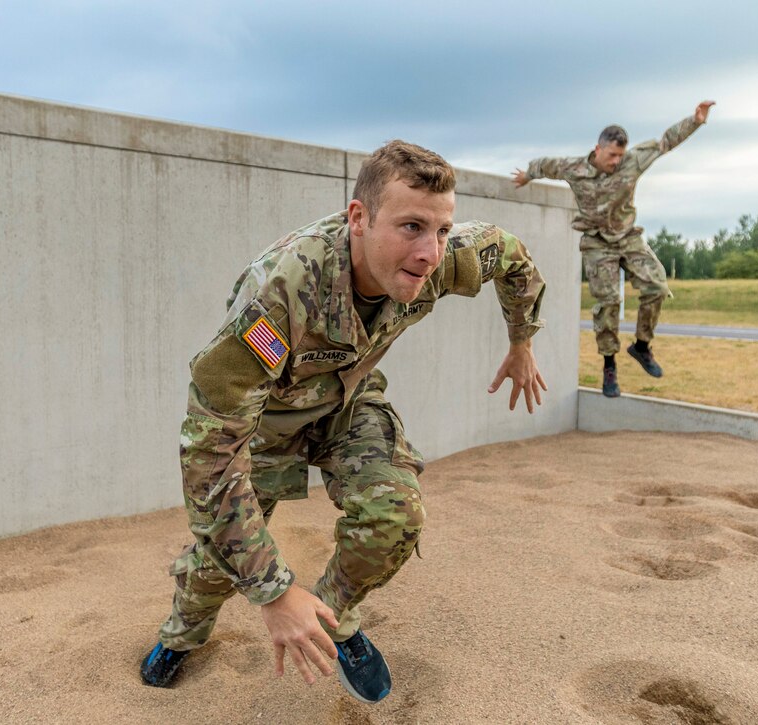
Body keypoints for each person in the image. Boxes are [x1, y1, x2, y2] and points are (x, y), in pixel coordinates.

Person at [140, 140, 547, 703]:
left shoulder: (441, 259)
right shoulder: (278, 297)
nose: (430, 252)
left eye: (442, 230)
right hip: (264, 424)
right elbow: (209, 457)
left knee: (395, 513)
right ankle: (183, 635)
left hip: (348, 404)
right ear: (359, 218)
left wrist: (522, 342)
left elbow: (513, 257)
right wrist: (275, 594)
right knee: (223, 556)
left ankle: (334, 620)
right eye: (410, 227)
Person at [513, 100, 714, 397]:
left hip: (627, 237)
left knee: (657, 286)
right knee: (608, 301)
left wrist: (695, 121)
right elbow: (544, 165)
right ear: (598, 149)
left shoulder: (632, 161)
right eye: (611, 155)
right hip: (596, 243)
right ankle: (609, 365)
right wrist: (527, 175)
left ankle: (642, 346)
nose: (616, 161)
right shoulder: (574, 168)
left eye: (620, 155)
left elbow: (665, 143)